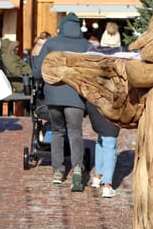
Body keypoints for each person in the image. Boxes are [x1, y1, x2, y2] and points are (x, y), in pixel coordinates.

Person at [32, 12, 92, 191]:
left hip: (54, 96)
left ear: (62, 27)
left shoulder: (52, 43)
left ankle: (58, 171)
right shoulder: (86, 45)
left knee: (57, 131)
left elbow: (37, 71)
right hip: (76, 96)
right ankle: (77, 169)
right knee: (75, 132)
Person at [87, 24, 124, 198]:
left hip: (94, 102)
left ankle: (97, 176)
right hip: (111, 102)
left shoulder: (92, 54)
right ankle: (107, 184)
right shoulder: (122, 57)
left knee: (101, 139)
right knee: (110, 142)